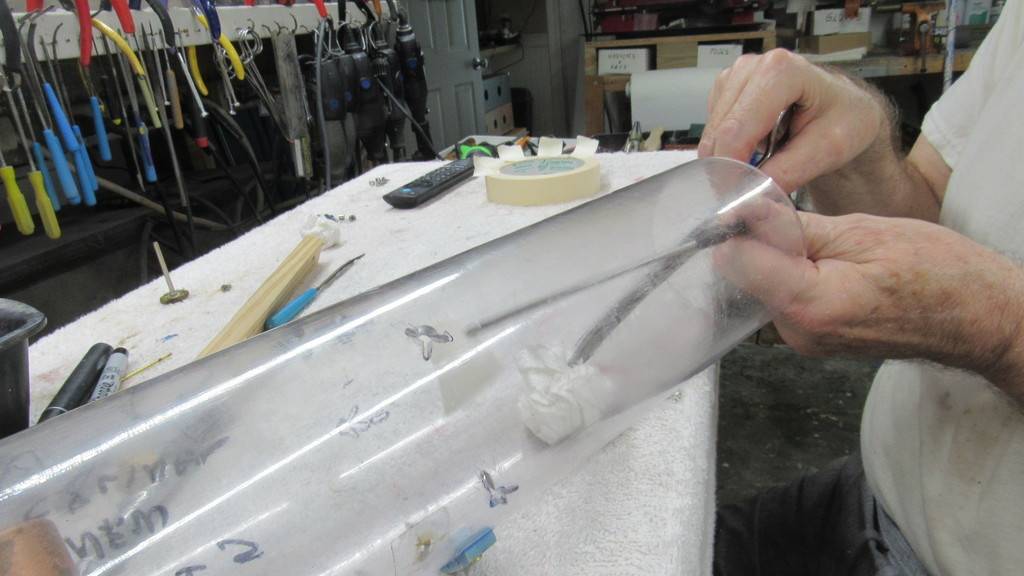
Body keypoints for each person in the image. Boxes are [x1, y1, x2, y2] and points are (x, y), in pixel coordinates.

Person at [703, 3, 1024, 575]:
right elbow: (927, 206)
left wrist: (1001, 326)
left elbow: (987, 309)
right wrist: (858, 144)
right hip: (878, 488)